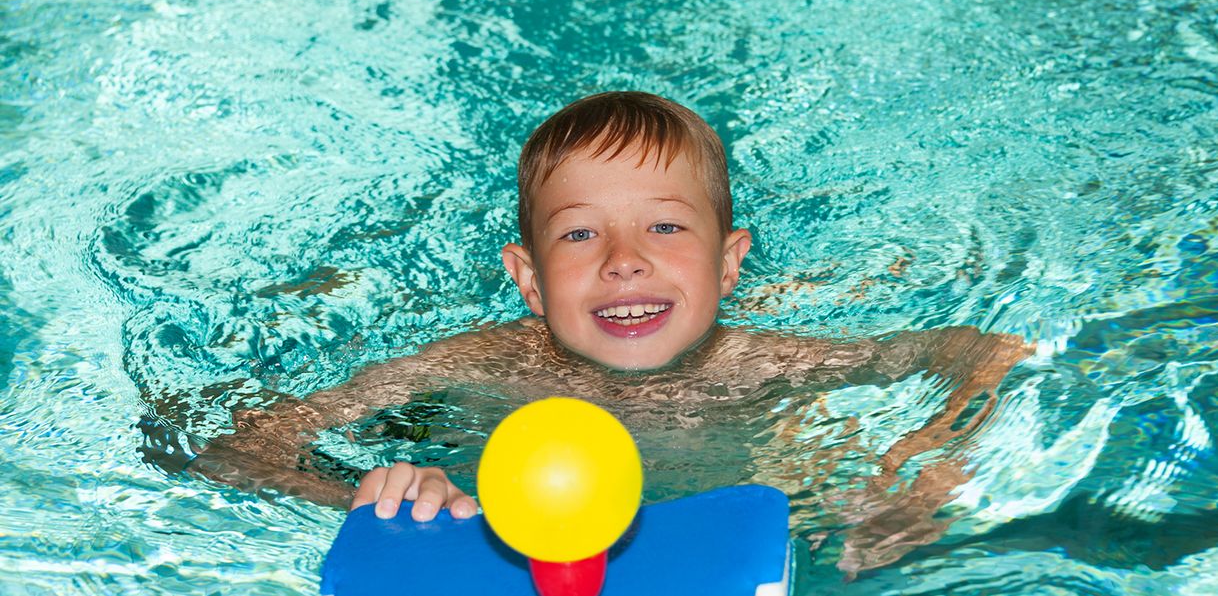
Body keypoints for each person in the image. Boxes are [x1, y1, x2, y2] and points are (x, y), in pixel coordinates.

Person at [186, 92, 1029, 568]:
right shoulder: (481, 363)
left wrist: (920, 473)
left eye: (666, 229)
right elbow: (236, 446)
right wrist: (382, 505)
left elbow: (984, 352)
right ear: (528, 279)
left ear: (729, 265)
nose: (624, 262)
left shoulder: (764, 364)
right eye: (581, 234)